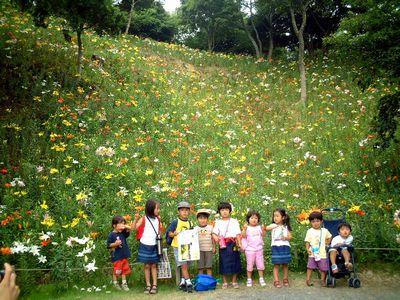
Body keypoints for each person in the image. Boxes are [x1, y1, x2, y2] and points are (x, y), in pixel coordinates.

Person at [134, 199, 162, 294]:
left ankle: (154, 285)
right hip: (145, 245)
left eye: (159, 208)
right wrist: (135, 219)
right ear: (150, 209)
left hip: (154, 245)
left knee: (154, 265)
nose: (158, 210)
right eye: (157, 208)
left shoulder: (158, 219)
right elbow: (134, 228)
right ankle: (148, 285)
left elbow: (159, 230)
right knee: (146, 266)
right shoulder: (144, 218)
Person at [212, 202, 242, 289]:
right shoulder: (217, 222)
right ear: (219, 212)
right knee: (223, 262)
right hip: (223, 244)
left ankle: (234, 281)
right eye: (222, 210)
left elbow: (237, 233)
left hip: (233, 243)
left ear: (230, 211)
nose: (224, 212)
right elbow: (214, 233)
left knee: (235, 261)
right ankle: (225, 282)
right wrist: (216, 237)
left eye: (226, 210)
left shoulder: (234, 221)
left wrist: (239, 243)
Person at [166, 201, 194, 292]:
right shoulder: (176, 222)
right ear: (178, 212)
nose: (185, 212)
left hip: (187, 246)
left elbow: (192, 234)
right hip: (178, 246)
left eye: (186, 210)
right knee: (184, 265)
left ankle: (182, 282)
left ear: (189, 211)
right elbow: (169, 233)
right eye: (182, 210)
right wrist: (174, 233)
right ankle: (189, 283)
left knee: (186, 265)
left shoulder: (190, 223)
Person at [304, 211, 332, 286]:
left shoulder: (324, 231)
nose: (315, 223)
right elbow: (307, 241)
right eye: (313, 221)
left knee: (323, 268)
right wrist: (307, 249)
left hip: (322, 253)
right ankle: (308, 280)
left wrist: (327, 243)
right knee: (310, 267)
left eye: (317, 221)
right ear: (310, 222)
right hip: (312, 253)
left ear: (321, 221)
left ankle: (322, 280)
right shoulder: (309, 231)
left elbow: (330, 237)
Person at [107, 215, 133, 291]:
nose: (122, 226)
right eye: (120, 224)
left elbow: (130, 229)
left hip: (123, 255)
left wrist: (124, 226)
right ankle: (115, 283)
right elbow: (108, 245)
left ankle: (124, 284)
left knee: (124, 270)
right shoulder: (111, 235)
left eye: (123, 224)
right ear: (114, 225)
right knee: (117, 271)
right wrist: (115, 244)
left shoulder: (123, 233)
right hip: (116, 256)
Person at [268, 208, 292, 288]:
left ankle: (285, 279)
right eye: (274, 216)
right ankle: (276, 280)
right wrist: (272, 226)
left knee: (285, 264)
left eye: (277, 216)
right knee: (276, 264)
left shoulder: (286, 227)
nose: (275, 218)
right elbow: (267, 228)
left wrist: (286, 238)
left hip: (285, 247)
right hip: (276, 247)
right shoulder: (273, 226)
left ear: (283, 217)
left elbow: (290, 236)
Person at [241, 210, 266, 287]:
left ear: (258, 219)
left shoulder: (259, 227)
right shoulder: (247, 227)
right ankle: (249, 279)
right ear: (248, 219)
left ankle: (261, 278)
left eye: (256, 218)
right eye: (252, 218)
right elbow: (243, 236)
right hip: (249, 249)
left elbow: (263, 235)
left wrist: (263, 229)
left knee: (260, 264)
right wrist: (244, 229)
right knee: (250, 264)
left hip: (259, 249)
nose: (254, 219)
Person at [194, 208, 215, 276]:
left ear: (207, 219)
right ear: (197, 219)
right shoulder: (195, 228)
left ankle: (209, 280)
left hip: (208, 249)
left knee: (209, 266)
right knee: (200, 267)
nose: (202, 220)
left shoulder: (210, 227)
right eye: (200, 218)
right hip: (199, 250)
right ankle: (201, 280)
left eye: (204, 218)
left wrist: (214, 247)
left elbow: (213, 238)